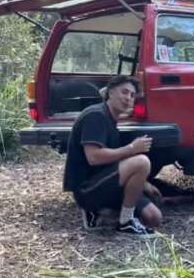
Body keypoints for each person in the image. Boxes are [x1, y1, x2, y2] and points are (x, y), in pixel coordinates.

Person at [63, 75, 163, 237]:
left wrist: (144, 184)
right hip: (87, 189)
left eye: (132, 96)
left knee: (153, 217)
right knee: (142, 161)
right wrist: (132, 148)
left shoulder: (111, 120)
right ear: (110, 93)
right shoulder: (95, 116)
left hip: (107, 182)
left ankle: (104, 212)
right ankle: (124, 222)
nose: (128, 98)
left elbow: (117, 160)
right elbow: (93, 157)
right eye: (124, 92)